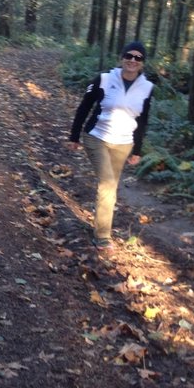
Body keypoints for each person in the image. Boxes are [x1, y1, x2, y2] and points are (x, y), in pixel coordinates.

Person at [66, 41, 154, 251]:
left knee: (111, 186)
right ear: (122, 58)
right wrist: (74, 136)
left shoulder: (147, 88)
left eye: (138, 58)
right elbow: (84, 107)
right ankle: (102, 236)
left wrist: (138, 149)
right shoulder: (104, 79)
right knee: (107, 185)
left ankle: (100, 224)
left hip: (124, 143)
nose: (132, 60)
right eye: (129, 56)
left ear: (142, 63)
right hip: (97, 137)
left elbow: (142, 120)